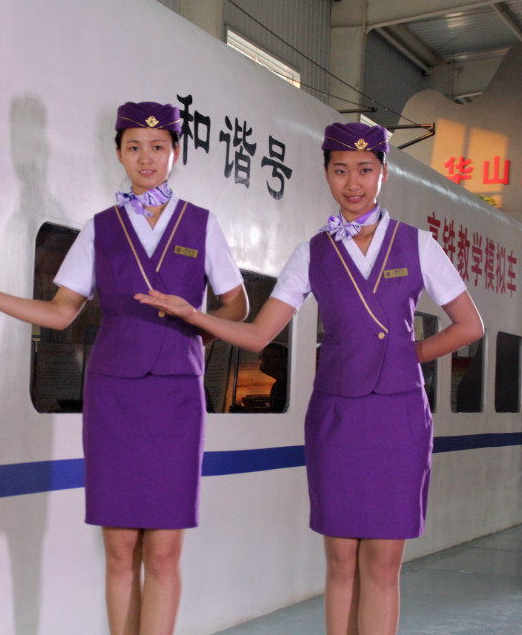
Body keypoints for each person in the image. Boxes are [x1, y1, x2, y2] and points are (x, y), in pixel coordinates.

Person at [136, 122, 484, 635]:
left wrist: (405, 356)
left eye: (365, 170)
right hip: (337, 417)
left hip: (398, 418)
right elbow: (258, 335)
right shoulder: (312, 253)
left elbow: (470, 326)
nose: (353, 183)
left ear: (383, 174)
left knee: (383, 563)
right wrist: (195, 315)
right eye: (340, 170)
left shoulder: (419, 245)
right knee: (340, 560)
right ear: (326, 174)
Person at [0, 101, 247, 635]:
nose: (146, 158)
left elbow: (236, 307)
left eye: (158, 147)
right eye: (133, 147)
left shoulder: (201, 224)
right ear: (118, 154)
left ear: (176, 153)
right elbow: (60, 313)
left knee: (164, 552)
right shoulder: (101, 228)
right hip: (114, 398)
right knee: (119, 550)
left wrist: (194, 323)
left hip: (176, 399)